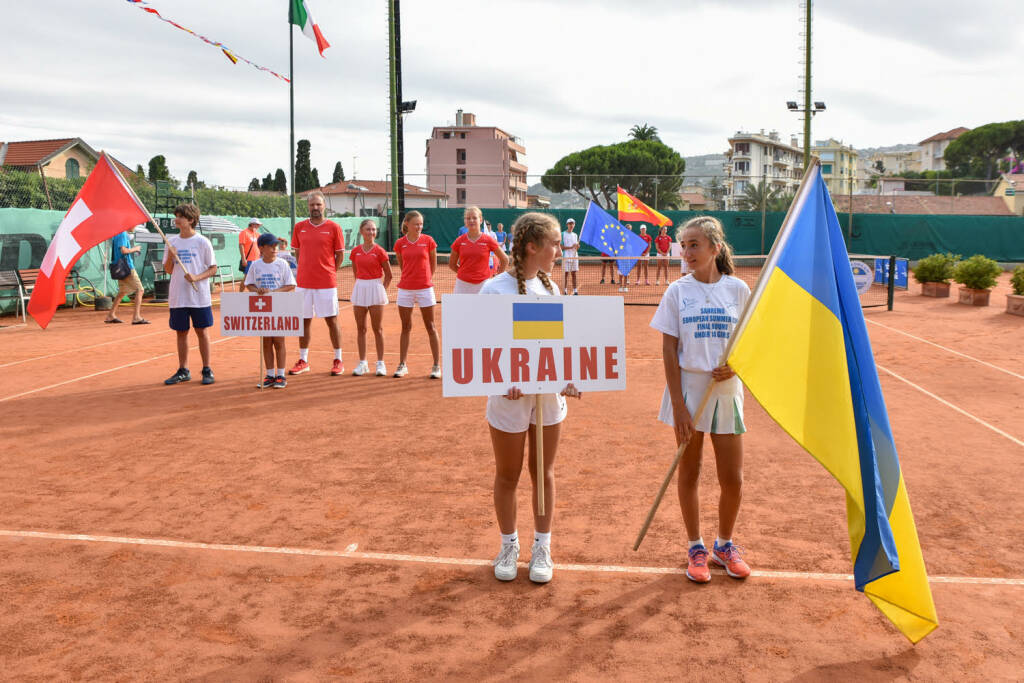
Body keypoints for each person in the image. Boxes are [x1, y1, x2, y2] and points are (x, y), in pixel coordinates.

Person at [649, 215, 752, 584]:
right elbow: (668, 348)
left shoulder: (739, 290)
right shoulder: (677, 291)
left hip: (727, 394)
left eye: (695, 245)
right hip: (689, 393)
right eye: (685, 245)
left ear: (715, 248)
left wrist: (737, 367)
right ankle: (695, 547)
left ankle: (724, 545)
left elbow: (752, 344)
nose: (687, 251)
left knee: (733, 478)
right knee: (689, 472)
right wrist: (678, 405)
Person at [481, 212, 582, 584]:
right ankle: (509, 545)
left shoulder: (553, 290)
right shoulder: (493, 290)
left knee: (544, 474)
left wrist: (569, 378)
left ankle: (543, 547)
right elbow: (482, 348)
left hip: (548, 398)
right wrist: (502, 378)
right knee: (508, 474)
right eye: (555, 244)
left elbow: (559, 346)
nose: (561, 249)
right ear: (532, 247)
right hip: (507, 399)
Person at [288, 192, 346, 376]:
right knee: (304, 321)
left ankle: (338, 360)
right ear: (308, 207)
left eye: (318, 205)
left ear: (324, 206)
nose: (315, 208)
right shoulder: (299, 227)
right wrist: (306, 270)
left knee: (332, 320)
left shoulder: (334, 227)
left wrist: (328, 271)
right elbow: (298, 253)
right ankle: (303, 360)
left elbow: (340, 255)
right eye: (312, 205)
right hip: (304, 283)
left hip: (326, 283)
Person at [163, 203, 217, 386]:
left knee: (202, 331)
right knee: (181, 332)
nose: (176, 219)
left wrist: (197, 277)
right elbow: (169, 270)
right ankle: (183, 370)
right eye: (176, 215)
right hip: (178, 296)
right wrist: (171, 255)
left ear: (191, 220)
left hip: (199, 296)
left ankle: (207, 369)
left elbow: (213, 268)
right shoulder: (172, 242)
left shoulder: (202, 242)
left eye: (180, 216)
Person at [245, 232, 297, 388]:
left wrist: (273, 293)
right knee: (266, 341)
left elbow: (291, 285)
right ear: (261, 248)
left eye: (276, 245)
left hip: (280, 306)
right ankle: (269, 375)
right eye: (271, 246)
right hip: (263, 308)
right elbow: (249, 284)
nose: (275, 248)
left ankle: (280, 375)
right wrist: (258, 290)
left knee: (279, 341)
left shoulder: (282, 264)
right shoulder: (255, 265)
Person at [393, 210, 441, 378]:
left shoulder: (428, 241)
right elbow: (402, 264)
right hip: (405, 289)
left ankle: (436, 365)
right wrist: (410, 278)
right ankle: (402, 364)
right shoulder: (400, 243)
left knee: (431, 326)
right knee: (405, 327)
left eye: (421, 224)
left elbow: (433, 264)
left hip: (425, 289)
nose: (419, 227)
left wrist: (425, 279)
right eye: (416, 224)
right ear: (407, 224)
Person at [349, 219, 393, 377]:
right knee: (361, 329)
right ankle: (363, 363)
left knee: (377, 329)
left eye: (374, 229)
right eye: (368, 229)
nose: (371, 232)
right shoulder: (355, 252)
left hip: (376, 288)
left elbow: (389, 275)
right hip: (360, 288)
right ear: (361, 231)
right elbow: (356, 272)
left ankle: (380, 363)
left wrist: (381, 290)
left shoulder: (380, 251)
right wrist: (362, 285)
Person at [449, 206, 507, 294]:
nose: (471, 220)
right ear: (465, 221)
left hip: (483, 284)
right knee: (462, 308)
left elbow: (505, 259)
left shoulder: (488, 240)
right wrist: (465, 274)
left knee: (483, 308)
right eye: (468, 218)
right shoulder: (459, 241)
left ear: (480, 220)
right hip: (462, 285)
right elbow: (452, 264)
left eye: (474, 218)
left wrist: (497, 279)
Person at [104, 229, 149, 325]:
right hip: (127, 267)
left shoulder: (118, 233)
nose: (134, 227)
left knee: (122, 292)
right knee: (140, 290)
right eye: (134, 224)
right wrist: (135, 249)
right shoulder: (122, 233)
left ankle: (111, 315)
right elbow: (123, 250)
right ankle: (136, 317)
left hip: (120, 267)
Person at [238, 218, 262, 291]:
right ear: (252, 224)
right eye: (257, 225)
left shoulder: (257, 234)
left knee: (257, 278)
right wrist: (244, 259)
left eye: (258, 225)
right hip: (249, 260)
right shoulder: (244, 232)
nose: (258, 227)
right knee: (246, 278)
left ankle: (255, 293)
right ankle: (240, 294)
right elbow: (241, 245)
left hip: (257, 260)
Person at [560, 218, 580, 295]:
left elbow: (576, 248)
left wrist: (577, 246)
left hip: (574, 256)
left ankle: (575, 290)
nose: (571, 225)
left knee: (574, 274)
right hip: (566, 257)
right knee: (565, 274)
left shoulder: (575, 235)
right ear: (567, 225)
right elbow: (561, 247)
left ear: (574, 225)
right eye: (570, 224)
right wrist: (571, 247)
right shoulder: (562, 234)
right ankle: (564, 290)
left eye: (572, 224)